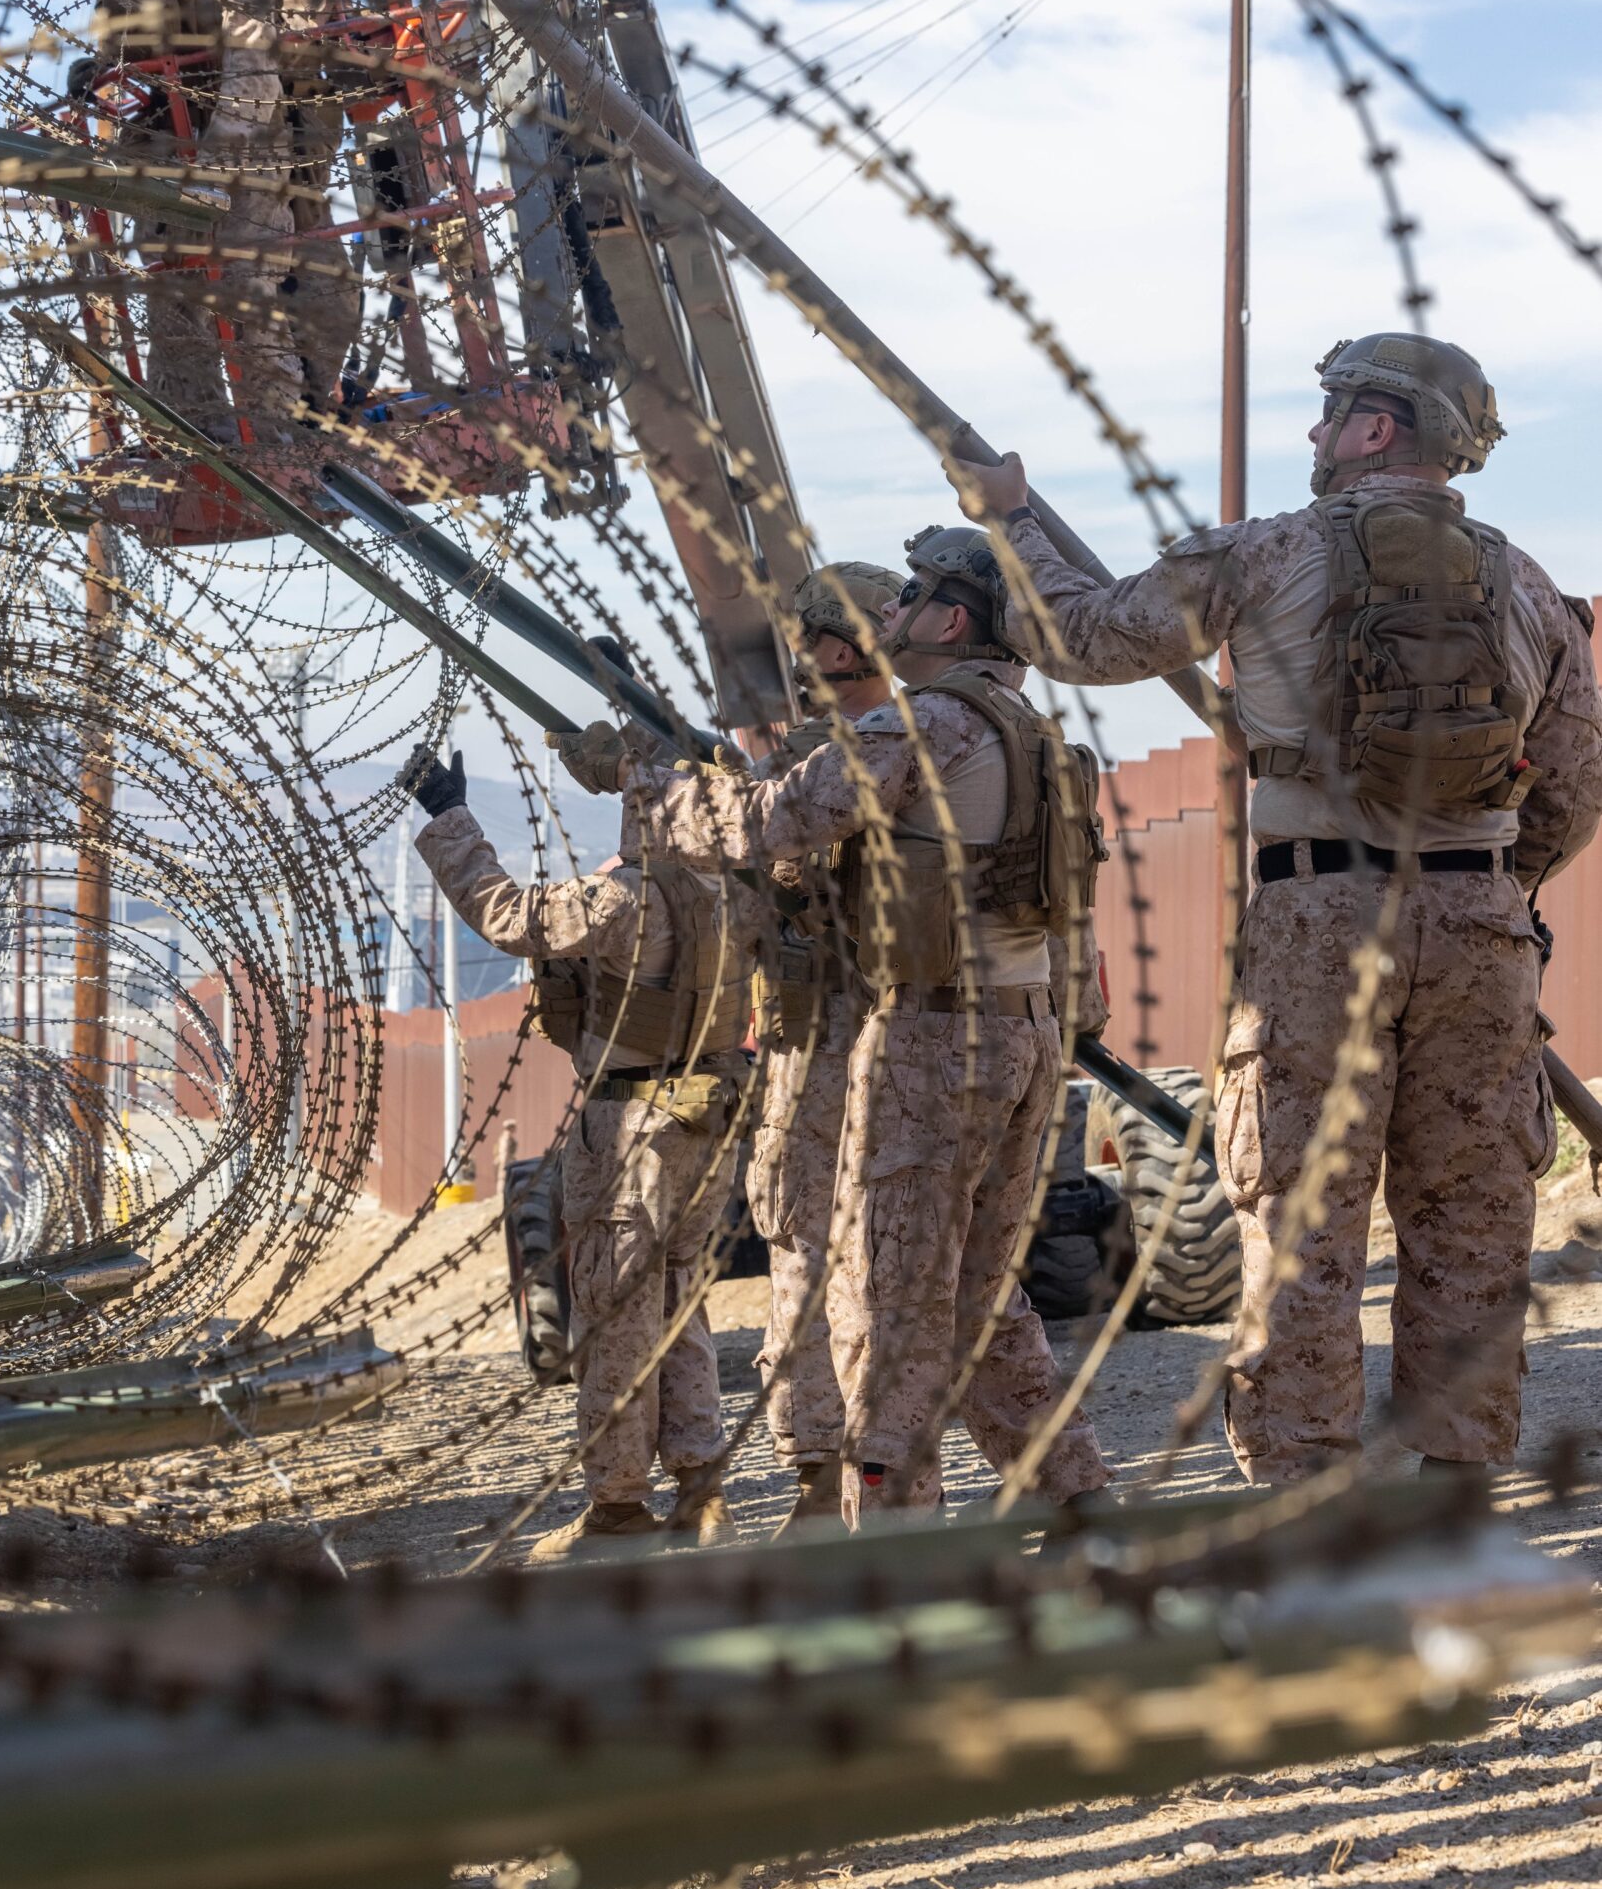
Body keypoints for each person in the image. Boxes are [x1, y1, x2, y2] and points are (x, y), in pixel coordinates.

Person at [950, 331, 1602, 1486]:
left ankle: (1302, 1492)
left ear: (1373, 428)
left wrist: (1008, 516)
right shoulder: (1531, 584)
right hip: (1479, 925)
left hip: (1318, 916)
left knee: (1303, 1222)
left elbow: (1081, 638)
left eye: (1329, 414)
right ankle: (1451, 1491)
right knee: (1469, 1223)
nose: (1313, 435)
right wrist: (1494, 888)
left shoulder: (1263, 554)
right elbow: (1576, 777)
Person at [552, 530, 1113, 1529]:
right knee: (981, 1298)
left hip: (930, 1038)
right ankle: (1074, 1493)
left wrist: (655, 784)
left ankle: (892, 1534)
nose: (890, 618)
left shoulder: (921, 723)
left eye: (911, 603)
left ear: (948, 620)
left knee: (884, 1301)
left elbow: (771, 825)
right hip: (1018, 1026)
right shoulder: (1027, 728)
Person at [398, 737, 754, 1559]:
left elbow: (508, 916)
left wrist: (451, 816)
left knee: (615, 1318)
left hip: (632, 1126)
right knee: (680, 1303)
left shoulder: (627, 899)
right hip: (711, 1115)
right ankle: (703, 1491)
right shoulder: (735, 889)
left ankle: (619, 1508)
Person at [750, 563, 900, 1532]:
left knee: (805, 1248)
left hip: (827, 1038)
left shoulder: (830, 764)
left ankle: (817, 1478)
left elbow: (764, 851)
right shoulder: (955, 736)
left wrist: (649, 778)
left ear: (831, 650)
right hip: (933, 1040)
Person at [88, 0, 301, 438]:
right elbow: (118, 33)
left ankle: (276, 436)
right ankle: (190, 439)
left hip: (240, 138)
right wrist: (104, 79)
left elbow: (253, 73)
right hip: (158, 134)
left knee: (247, 285)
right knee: (172, 291)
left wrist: (213, 171)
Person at [227, 0, 368, 407]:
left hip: (302, 174)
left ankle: (313, 411)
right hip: (244, 175)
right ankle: (273, 426)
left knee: (332, 302)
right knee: (254, 312)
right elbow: (251, 38)